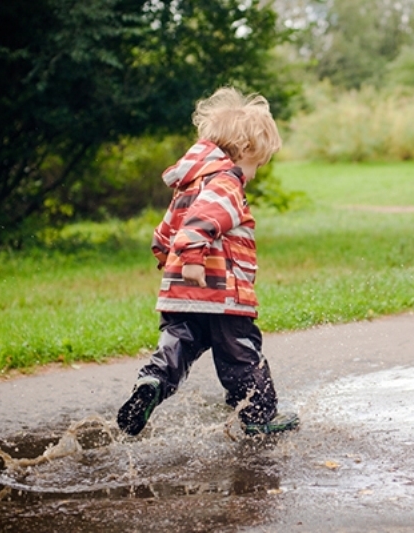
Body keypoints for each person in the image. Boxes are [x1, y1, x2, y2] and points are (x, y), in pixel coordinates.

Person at [117, 87, 299, 437]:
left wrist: (171, 262)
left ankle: (153, 381)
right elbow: (201, 222)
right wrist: (194, 258)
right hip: (222, 294)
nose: (255, 173)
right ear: (245, 151)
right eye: (257, 164)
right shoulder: (226, 182)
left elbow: (163, 235)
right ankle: (258, 414)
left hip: (181, 294)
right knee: (240, 356)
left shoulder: (188, 186)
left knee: (179, 343)